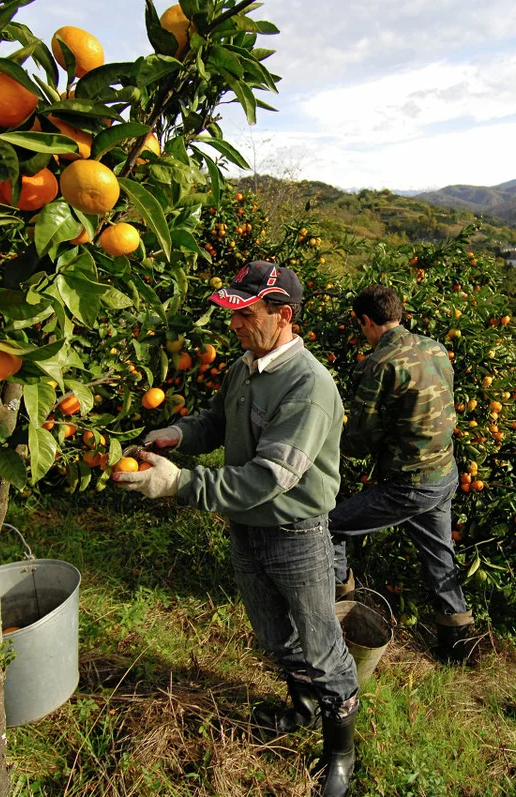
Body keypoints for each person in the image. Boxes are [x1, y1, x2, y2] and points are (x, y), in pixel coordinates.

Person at [113, 261, 359, 797]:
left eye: (245, 315)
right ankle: (304, 705)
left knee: (322, 645)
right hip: (246, 529)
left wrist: (181, 485)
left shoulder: (308, 386)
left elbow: (270, 476)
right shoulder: (245, 366)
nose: (234, 325)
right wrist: (176, 435)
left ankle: (341, 752)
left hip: (296, 535)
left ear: (283, 316)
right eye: (232, 315)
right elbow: (217, 422)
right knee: (274, 635)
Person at [331, 284, 475, 664]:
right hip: (444, 472)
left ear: (365, 321)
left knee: (331, 527)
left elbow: (359, 441)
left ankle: (339, 611)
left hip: (410, 484)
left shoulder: (381, 364)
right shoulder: (434, 347)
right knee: (439, 555)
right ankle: (459, 646)